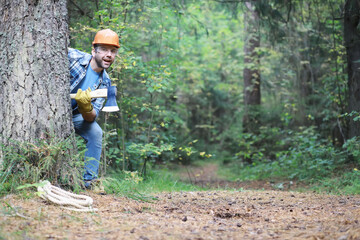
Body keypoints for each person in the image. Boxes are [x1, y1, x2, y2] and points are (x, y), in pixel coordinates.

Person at [68, 29, 120, 188]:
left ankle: (89, 182)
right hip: (50, 110)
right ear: (93, 51)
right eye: (104, 49)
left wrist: (86, 106)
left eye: (113, 51)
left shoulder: (105, 83)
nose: (109, 54)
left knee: (96, 132)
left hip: (75, 115)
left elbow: (91, 117)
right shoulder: (73, 57)